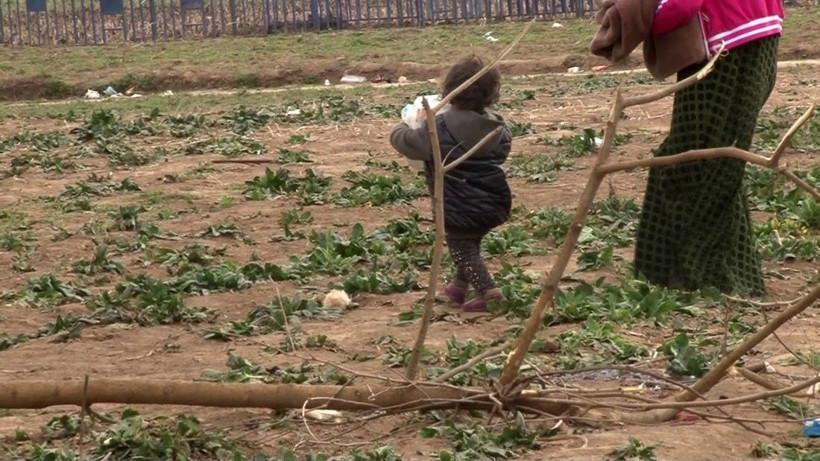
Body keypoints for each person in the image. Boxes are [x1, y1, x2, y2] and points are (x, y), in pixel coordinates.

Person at [590, 0, 785, 296]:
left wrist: (635, 16)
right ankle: (725, 272)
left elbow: (679, 6)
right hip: (759, 39)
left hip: (726, 49)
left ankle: (703, 277)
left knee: (687, 168)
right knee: (719, 161)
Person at [389, 55, 513, 312]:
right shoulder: (498, 127)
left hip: (458, 206)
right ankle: (458, 287)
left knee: (462, 249)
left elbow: (410, 144)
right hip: (494, 201)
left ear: (450, 90)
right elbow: (501, 153)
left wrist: (399, 128)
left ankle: (490, 292)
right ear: (491, 96)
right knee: (471, 241)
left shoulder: (440, 128)